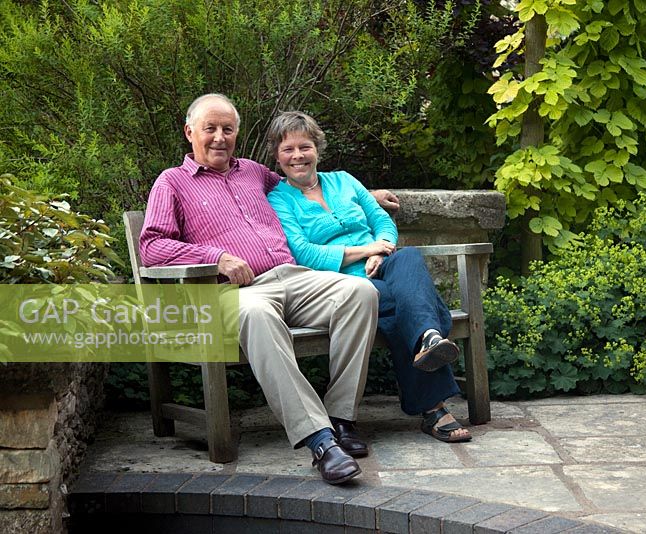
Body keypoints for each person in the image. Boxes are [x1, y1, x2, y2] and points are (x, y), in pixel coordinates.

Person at [139, 94, 398, 484]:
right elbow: (152, 245)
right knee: (258, 314)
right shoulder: (172, 182)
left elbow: (305, 181)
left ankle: (342, 418)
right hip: (233, 292)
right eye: (210, 128)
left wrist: (367, 196)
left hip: (291, 276)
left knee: (360, 293)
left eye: (228, 129)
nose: (219, 137)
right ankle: (321, 441)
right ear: (190, 131)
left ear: (237, 133)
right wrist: (218, 256)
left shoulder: (255, 173)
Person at [266, 111, 471, 443]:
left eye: (305, 146)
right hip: (344, 283)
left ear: (317, 148)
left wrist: (382, 248)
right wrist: (365, 251)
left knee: (408, 256)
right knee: (400, 304)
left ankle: (429, 339)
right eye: (288, 149)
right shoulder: (277, 199)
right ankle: (432, 399)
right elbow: (304, 253)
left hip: (385, 265)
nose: (297, 156)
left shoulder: (345, 181)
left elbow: (382, 222)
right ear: (277, 155)